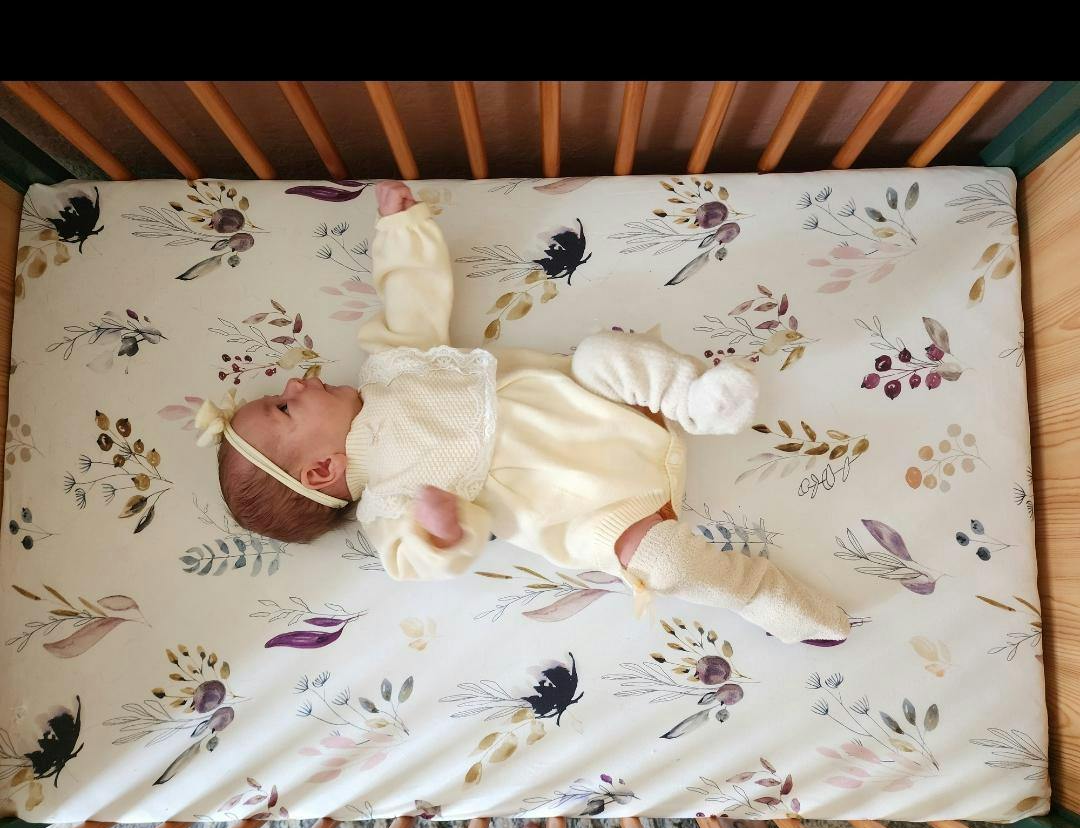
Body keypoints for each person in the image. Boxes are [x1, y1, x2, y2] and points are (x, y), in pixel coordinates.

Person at [196, 181, 849, 647]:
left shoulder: (390, 368)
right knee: (660, 565)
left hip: (608, 403)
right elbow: (412, 559)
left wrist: (401, 229)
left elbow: (412, 299)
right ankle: (758, 593)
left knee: (601, 354)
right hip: (604, 507)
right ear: (321, 471)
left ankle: (693, 402)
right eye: (284, 405)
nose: (295, 379)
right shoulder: (388, 505)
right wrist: (439, 533)